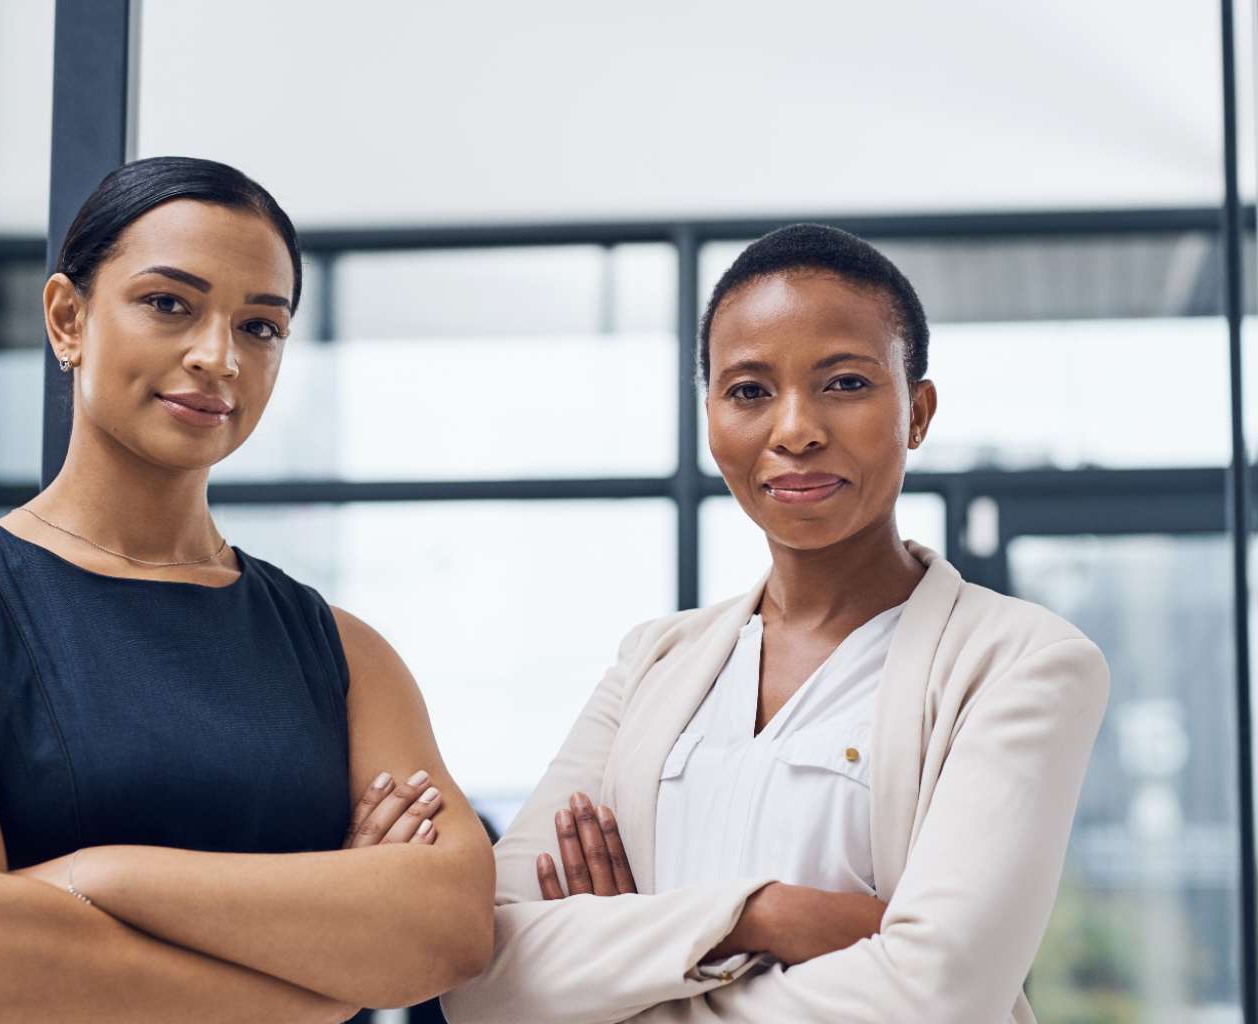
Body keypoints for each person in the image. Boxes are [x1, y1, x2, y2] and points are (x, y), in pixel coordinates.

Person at [0, 156, 493, 1024]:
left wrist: (93, 877)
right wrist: (322, 993)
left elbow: (448, 928)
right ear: (68, 319)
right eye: (168, 304)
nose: (218, 356)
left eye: (261, 327)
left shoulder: (342, 651)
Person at [442, 224, 1109, 1024]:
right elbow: (481, 974)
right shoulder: (654, 663)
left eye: (845, 384)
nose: (795, 430)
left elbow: (937, 995)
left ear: (918, 412)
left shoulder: (1021, 662)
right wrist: (765, 916)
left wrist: (626, 967)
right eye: (750, 391)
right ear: (712, 416)